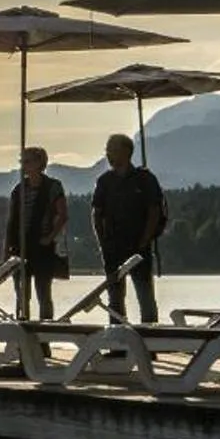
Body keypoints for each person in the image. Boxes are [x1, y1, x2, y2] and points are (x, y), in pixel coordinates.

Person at [89, 132, 165, 323]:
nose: (108, 155)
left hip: (139, 247)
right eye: (107, 151)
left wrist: (145, 240)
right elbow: (96, 213)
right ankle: (118, 345)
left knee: (145, 295)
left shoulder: (145, 179)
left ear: (127, 152)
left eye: (112, 150)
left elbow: (155, 211)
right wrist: (102, 243)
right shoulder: (104, 181)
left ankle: (150, 342)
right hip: (113, 247)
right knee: (114, 298)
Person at [4, 146, 70, 321]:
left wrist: (49, 238)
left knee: (43, 295)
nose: (23, 165)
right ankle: (22, 333)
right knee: (22, 296)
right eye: (21, 162)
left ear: (40, 163)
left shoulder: (53, 187)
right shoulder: (19, 190)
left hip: (42, 248)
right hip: (20, 248)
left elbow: (63, 215)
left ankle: (45, 336)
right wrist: (6, 250)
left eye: (27, 161)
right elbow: (11, 221)